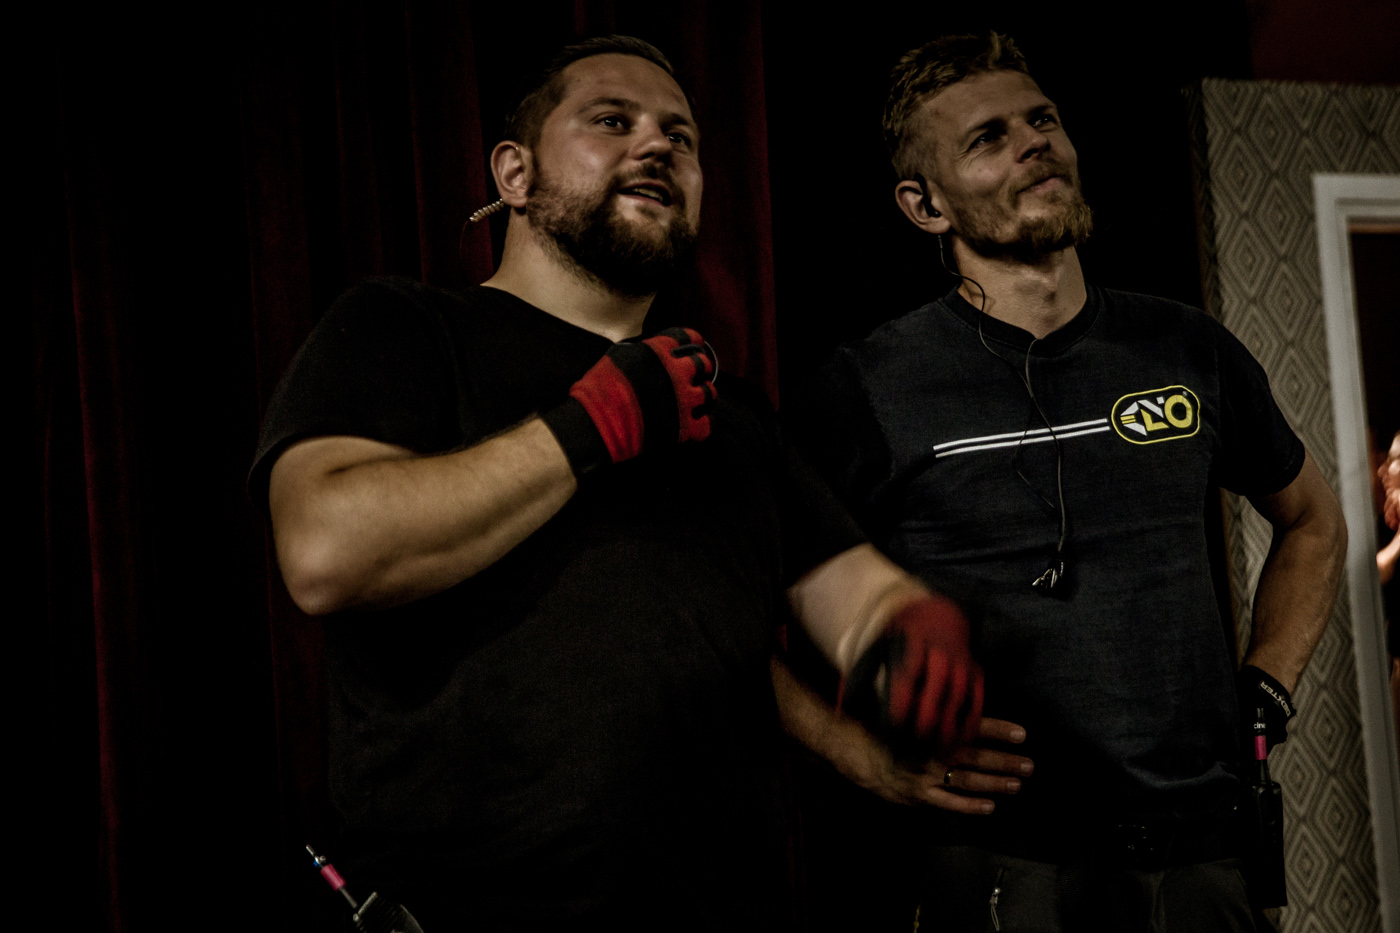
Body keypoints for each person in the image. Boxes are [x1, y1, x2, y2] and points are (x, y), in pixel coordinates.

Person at [250, 36, 982, 931]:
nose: (658, 146)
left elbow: (854, 601)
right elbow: (326, 548)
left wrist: (909, 630)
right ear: (515, 174)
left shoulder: (732, 411)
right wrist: (585, 430)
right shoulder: (406, 328)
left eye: (682, 136)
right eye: (611, 121)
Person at [789, 32, 1347, 932]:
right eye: (989, 138)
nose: (1034, 143)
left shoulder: (1186, 347)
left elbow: (1313, 519)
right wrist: (863, 754)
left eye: (1041, 120)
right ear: (925, 205)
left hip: (1204, 848)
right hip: (1007, 861)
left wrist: (1267, 687)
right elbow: (738, 605)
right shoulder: (868, 386)